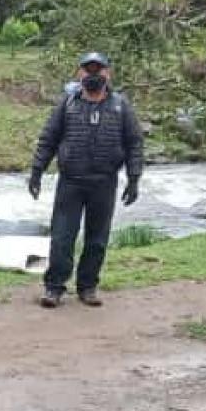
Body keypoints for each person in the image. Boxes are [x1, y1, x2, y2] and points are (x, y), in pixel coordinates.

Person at [28, 52, 144, 308]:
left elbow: (134, 143)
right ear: (79, 74)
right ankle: (54, 287)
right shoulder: (67, 103)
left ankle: (88, 286)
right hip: (71, 181)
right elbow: (48, 138)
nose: (93, 75)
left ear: (108, 73)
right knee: (62, 236)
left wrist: (134, 178)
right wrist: (36, 171)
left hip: (104, 182)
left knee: (97, 238)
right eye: (88, 70)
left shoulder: (121, 106)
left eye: (98, 70)